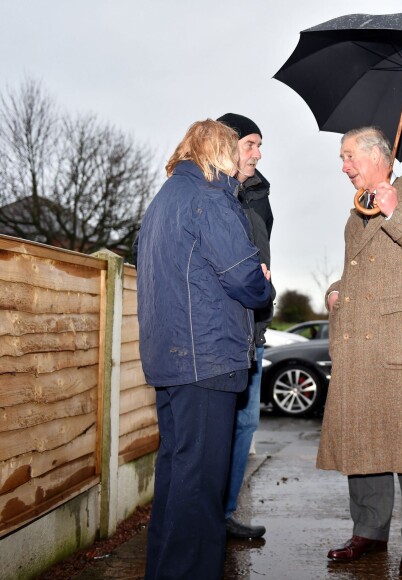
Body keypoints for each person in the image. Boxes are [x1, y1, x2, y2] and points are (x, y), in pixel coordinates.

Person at [134, 119, 271, 579]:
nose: (242, 162)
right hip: (206, 359)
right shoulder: (210, 198)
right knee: (201, 488)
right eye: (237, 151)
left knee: (176, 481)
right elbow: (242, 277)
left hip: (169, 359)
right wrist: (263, 285)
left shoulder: (163, 200)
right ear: (217, 151)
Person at [316, 126, 402, 575]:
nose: (344, 166)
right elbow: (356, 274)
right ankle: (369, 532)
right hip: (360, 345)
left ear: (378, 156)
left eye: (349, 156)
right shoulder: (356, 213)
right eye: (342, 158)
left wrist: (396, 214)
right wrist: (336, 291)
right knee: (365, 443)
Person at [217, 113, 274, 540]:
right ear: (227, 144)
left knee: (245, 425)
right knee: (216, 428)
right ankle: (206, 513)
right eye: (250, 144)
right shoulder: (213, 194)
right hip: (221, 336)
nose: (257, 153)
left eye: (259, 145)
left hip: (254, 331)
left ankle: (225, 511)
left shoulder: (258, 195)